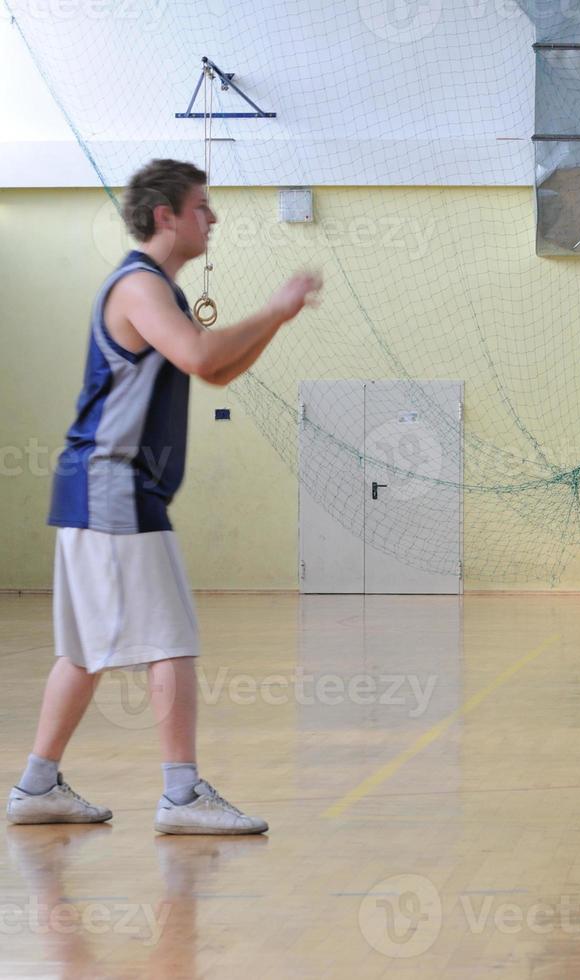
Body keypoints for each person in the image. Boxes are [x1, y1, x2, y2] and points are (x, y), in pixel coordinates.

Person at [7, 159, 321, 835]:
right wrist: (273, 308)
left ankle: (36, 785)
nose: (214, 217)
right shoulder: (139, 286)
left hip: (97, 487)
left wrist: (278, 321)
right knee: (171, 636)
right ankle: (181, 796)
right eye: (202, 206)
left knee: (84, 650)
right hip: (114, 482)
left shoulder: (160, 294)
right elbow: (204, 358)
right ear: (166, 216)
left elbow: (216, 372)